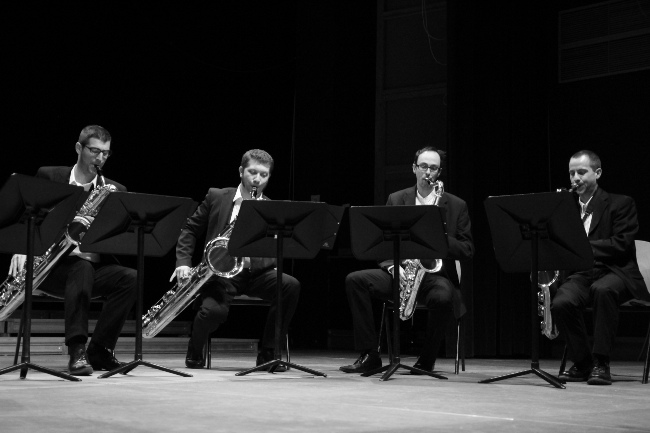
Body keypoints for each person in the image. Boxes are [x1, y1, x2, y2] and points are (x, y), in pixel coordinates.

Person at [8, 125, 137, 376]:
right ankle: (77, 351)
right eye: (94, 151)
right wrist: (22, 248)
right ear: (79, 148)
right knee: (81, 268)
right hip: (52, 270)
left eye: (106, 153)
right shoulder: (49, 176)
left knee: (130, 278)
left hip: (92, 267)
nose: (100, 158)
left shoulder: (115, 189)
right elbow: (28, 217)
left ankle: (99, 349)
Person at [340, 146, 474, 374]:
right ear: (414, 168)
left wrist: (439, 235)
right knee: (355, 280)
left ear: (439, 172)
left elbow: (467, 249)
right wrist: (393, 267)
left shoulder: (456, 205)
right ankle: (370, 355)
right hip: (401, 271)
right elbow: (382, 244)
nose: (428, 172)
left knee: (443, 297)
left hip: (435, 276)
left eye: (433, 168)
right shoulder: (396, 198)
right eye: (423, 166)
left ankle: (426, 360)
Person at [175, 149, 300, 370]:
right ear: (241, 171)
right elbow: (190, 230)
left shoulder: (273, 208)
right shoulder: (217, 196)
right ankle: (195, 348)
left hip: (256, 273)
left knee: (289, 285)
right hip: (221, 273)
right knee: (213, 313)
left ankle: (269, 353)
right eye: (252, 172)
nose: (257, 179)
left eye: (264, 175)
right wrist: (183, 262)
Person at [553, 150, 649, 385]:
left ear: (597, 173)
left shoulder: (621, 203)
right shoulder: (567, 208)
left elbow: (621, 243)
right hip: (584, 272)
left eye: (581, 172)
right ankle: (584, 363)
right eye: (571, 173)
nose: (575, 178)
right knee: (561, 302)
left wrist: (582, 247)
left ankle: (601, 362)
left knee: (603, 291)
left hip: (616, 271)